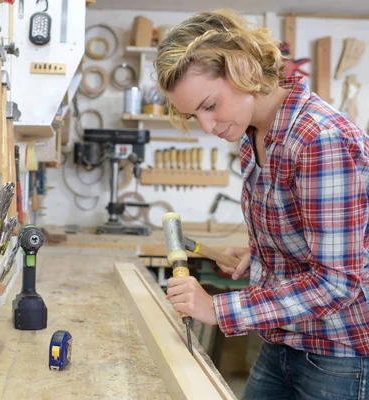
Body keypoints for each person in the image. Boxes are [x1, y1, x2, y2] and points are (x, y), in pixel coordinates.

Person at [154, 9, 369, 400]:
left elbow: (337, 282)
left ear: (242, 69)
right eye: (192, 115)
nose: (205, 126)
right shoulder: (252, 134)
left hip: (339, 354)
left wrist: (220, 310)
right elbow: (306, 242)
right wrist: (259, 256)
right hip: (282, 342)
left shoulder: (320, 139)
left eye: (209, 105)